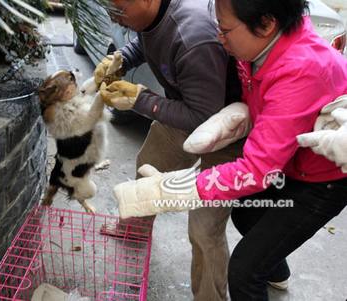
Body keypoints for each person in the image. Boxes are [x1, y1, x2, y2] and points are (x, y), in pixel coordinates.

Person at [111, 0, 347, 300]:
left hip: (322, 180)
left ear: (265, 24)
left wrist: (177, 189)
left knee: (245, 272)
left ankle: (261, 268)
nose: (218, 38)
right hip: (289, 158)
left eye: (224, 30)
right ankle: (277, 269)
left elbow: (257, 171)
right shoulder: (257, 44)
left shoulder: (300, 71)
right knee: (246, 216)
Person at [95, 0, 242, 300]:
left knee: (205, 227)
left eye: (118, 9)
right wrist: (122, 58)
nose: (113, 16)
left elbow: (203, 117)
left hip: (225, 127)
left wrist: (141, 99)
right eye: (108, 8)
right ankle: (135, 230)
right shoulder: (153, 14)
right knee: (149, 162)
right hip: (191, 106)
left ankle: (210, 297)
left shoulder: (193, 38)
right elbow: (146, 40)